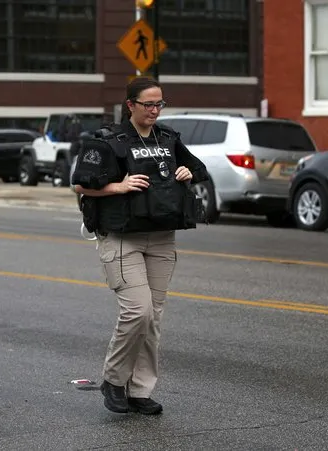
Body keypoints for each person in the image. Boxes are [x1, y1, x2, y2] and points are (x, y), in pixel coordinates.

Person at [71, 77, 208, 415]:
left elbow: (197, 169)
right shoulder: (106, 141)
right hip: (121, 238)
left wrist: (185, 172)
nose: (155, 110)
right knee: (138, 311)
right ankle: (114, 380)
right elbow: (79, 185)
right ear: (130, 105)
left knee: (153, 318)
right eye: (148, 104)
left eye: (160, 103)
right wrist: (118, 187)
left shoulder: (168, 138)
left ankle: (139, 390)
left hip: (162, 237)